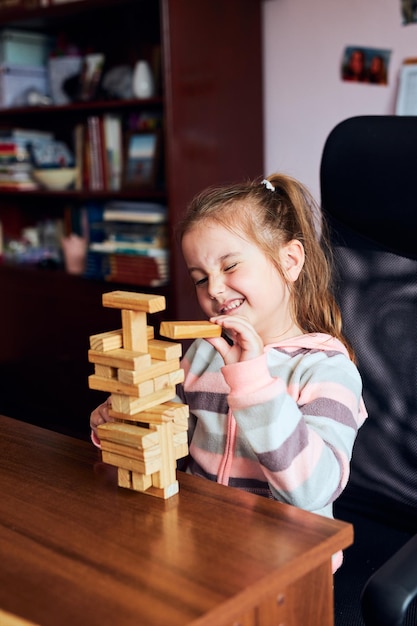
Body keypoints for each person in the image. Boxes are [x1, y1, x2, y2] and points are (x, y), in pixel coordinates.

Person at [90, 173, 367, 571]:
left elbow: (314, 488)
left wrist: (254, 383)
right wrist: (123, 424)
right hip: (201, 539)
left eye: (230, 266)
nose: (214, 289)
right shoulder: (204, 354)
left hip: (288, 564)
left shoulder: (327, 371)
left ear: (290, 261)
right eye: (200, 278)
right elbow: (170, 437)